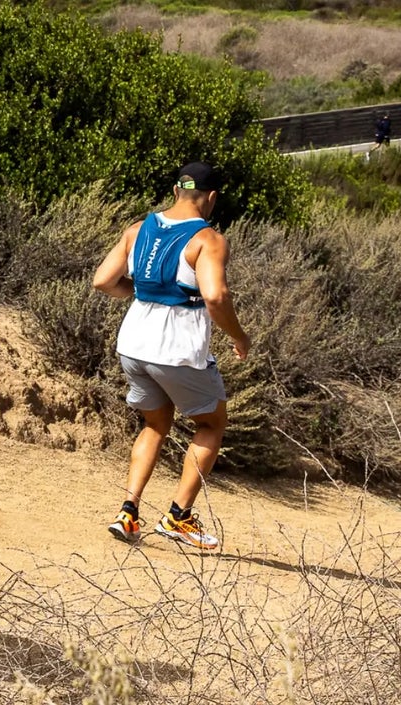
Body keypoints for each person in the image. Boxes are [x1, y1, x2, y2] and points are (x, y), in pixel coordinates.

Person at [88, 163, 251, 551]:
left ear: (175, 190)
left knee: (155, 425)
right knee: (211, 424)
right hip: (176, 350)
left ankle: (128, 513)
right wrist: (239, 336)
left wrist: (143, 293)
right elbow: (214, 297)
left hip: (133, 343)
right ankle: (178, 517)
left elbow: (103, 281)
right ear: (211, 198)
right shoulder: (208, 239)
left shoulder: (136, 230)